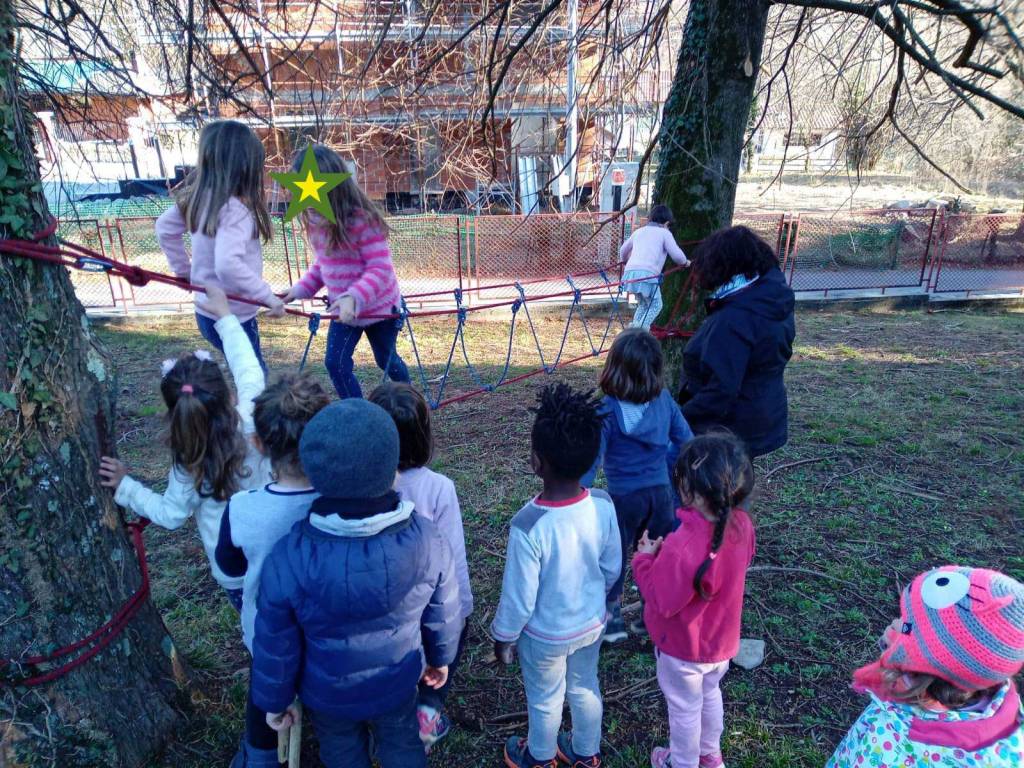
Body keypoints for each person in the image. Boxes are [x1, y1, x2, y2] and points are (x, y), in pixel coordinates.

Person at [250, 398, 461, 768]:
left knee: (342, 754)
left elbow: (275, 642)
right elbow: (443, 611)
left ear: (313, 473)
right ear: (393, 468)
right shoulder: (428, 539)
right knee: (403, 746)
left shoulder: (288, 555)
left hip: (329, 696)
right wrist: (441, 658)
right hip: (397, 683)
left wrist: (275, 700)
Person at [99, 285, 269, 611]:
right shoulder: (253, 421)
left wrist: (126, 487)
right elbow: (249, 370)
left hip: (234, 571)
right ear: (230, 396)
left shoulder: (188, 464)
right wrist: (226, 317)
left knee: (257, 627)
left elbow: (170, 515)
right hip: (276, 552)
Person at [492, 383, 622, 768]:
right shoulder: (602, 504)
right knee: (585, 687)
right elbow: (613, 564)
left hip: (544, 636)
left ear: (536, 461)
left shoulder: (528, 525)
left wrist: (504, 637)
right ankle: (586, 752)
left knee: (545, 698)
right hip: (590, 624)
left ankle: (540, 756)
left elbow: (518, 598)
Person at [214, 372, 331, 768]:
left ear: (258, 444)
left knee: (263, 690)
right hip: (327, 634)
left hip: (265, 631)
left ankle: (260, 757)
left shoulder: (242, 507)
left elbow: (229, 564)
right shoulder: (340, 501)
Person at [633, 433, 756, 768]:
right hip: (720, 645)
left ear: (694, 493)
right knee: (710, 694)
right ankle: (710, 755)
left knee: (685, 708)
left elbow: (662, 599)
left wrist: (645, 560)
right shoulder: (742, 525)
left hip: (683, 650)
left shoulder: (683, 544)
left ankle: (683, 762)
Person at [828, 566, 1024, 767]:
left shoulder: (976, 760)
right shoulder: (915, 686)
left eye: (908, 624)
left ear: (934, 663)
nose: (896, 623)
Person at [368, 382, 472, 751]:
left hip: (379, 619)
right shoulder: (439, 488)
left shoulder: (361, 487)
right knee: (451, 636)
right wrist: (462, 612)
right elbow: (452, 555)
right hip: (429, 612)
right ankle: (427, 711)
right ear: (424, 435)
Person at [581, 328, 693, 644]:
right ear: (656, 370)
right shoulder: (665, 400)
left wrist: (578, 494)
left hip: (622, 500)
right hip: (661, 497)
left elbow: (593, 460)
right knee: (656, 554)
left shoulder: (605, 410)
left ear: (613, 368)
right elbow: (686, 441)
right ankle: (651, 617)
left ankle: (613, 618)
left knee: (613, 556)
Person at [281, 144, 410, 398]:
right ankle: (357, 410)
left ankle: (410, 399)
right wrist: (299, 289)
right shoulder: (316, 223)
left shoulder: (362, 221)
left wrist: (354, 296)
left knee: (386, 360)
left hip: (380, 309)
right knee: (335, 363)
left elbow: (380, 268)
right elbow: (322, 265)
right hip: (345, 311)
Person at [156, 120, 285, 371]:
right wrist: (267, 296)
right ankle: (249, 411)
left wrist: (183, 271)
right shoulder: (235, 210)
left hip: (205, 311)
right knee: (254, 373)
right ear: (245, 167)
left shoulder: (197, 199)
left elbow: (164, 228)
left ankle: (238, 407)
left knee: (242, 368)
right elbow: (227, 265)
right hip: (234, 314)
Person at [678, 226, 795, 457]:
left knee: (719, 488)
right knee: (736, 483)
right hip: (762, 413)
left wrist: (678, 417)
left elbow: (721, 390)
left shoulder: (735, 317)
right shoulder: (771, 297)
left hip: (728, 428)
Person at [618, 204, 690, 330]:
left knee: (643, 304)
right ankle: (642, 328)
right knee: (656, 305)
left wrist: (624, 261)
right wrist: (684, 262)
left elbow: (623, 250)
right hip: (648, 275)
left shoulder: (638, 232)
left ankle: (634, 328)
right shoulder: (664, 233)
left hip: (631, 274)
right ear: (666, 223)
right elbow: (677, 255)